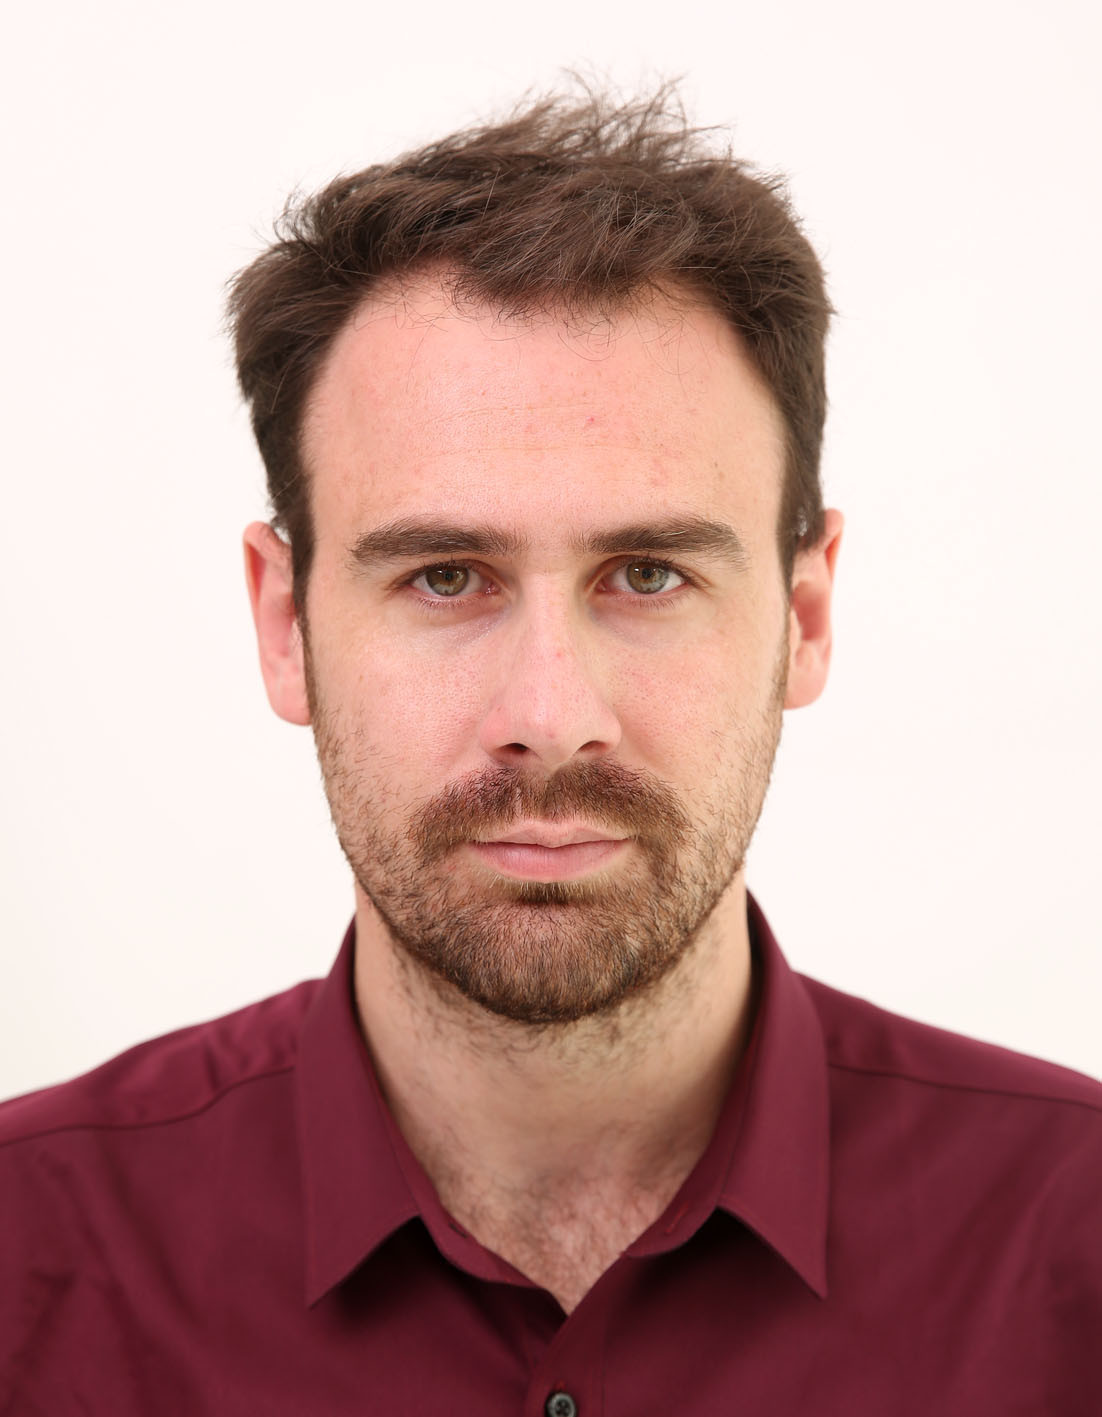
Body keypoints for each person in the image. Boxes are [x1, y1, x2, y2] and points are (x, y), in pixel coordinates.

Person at [1, 89, 1099, 1415]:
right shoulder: (29, 1254)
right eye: (444, 576)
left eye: (647, 573)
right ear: (285, 626)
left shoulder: (1072, 1247)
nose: (550, 711)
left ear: (803, 617)